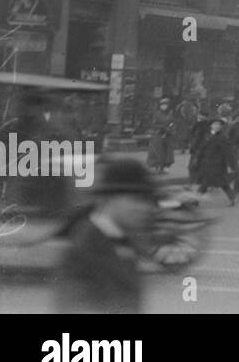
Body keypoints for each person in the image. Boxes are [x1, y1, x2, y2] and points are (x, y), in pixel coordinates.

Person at [54, 159, 159, 314]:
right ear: (110, 199)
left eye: (149, 201)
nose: (146, 208)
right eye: (137, 200)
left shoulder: (123, 242)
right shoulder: (85, 246)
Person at [196, 119, 238, 206]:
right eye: (215, 124)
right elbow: (201, 149)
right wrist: (198, 160)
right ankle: (232, 197)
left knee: (215, 183)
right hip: (207, 163)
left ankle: (195, 200)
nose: (217, 126)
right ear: (211, 125)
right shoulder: (207, 135)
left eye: (219, 125)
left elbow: (228, 152)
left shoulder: (222, 137)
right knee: (209, 183)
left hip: (218, 164)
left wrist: (231, 164)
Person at [146, 98, 176, 174]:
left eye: (165, 104)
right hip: (158, 134)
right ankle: (156, 165)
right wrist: (162, 127)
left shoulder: (171, 113)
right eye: (162, 104)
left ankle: (165, 166)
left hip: (168, 135)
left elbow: (173, 123)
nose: (164, 106)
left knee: (167, 152)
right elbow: (154, 124)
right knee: (157, 150)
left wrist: (170, 128)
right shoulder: (157, 114)